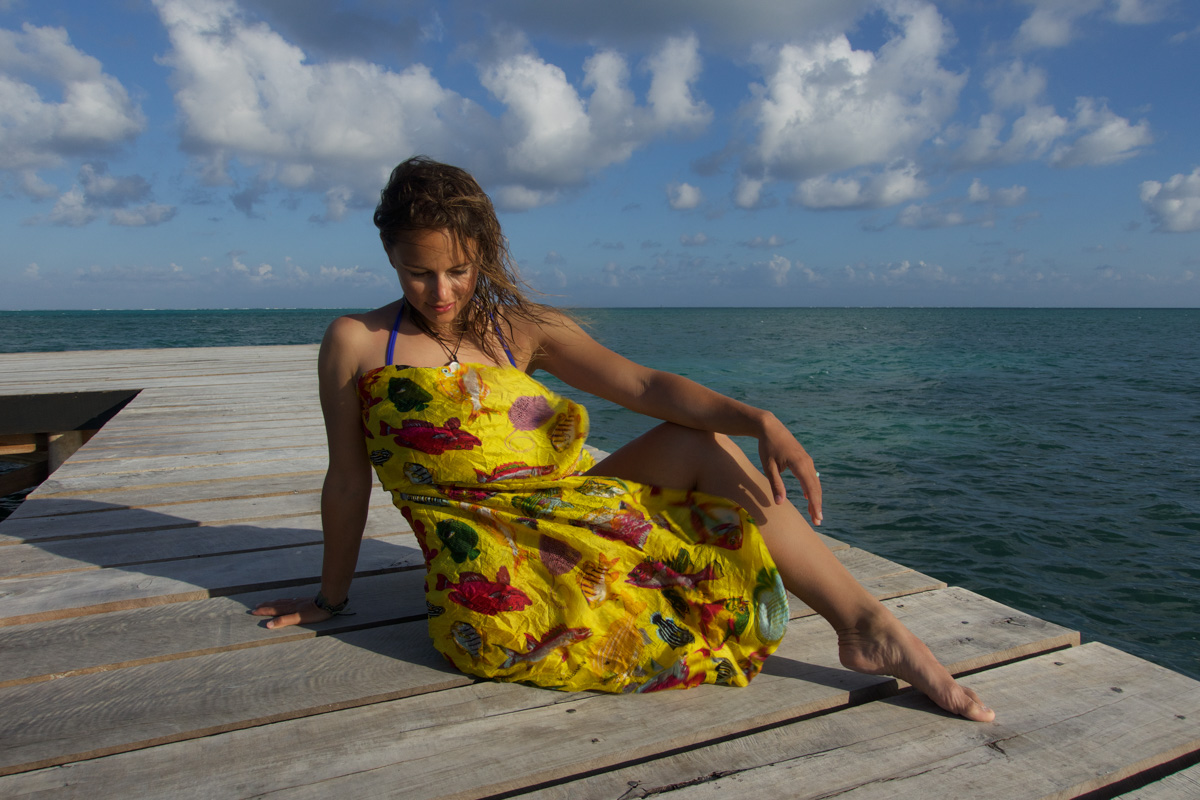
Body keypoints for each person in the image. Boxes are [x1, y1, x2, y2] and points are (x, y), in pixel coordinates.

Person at [253, 156, 993, 721]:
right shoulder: (358, 342)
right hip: (494, 569)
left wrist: (758, 417)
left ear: (483, 253)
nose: (441, 293)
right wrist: (332, 597)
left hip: (562, 507)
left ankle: (868, 625)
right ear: (390, 256)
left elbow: (642, 386)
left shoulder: (518, 329)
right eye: (419, 274)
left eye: (458, 270)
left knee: (703, 442)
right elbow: (348, 480)